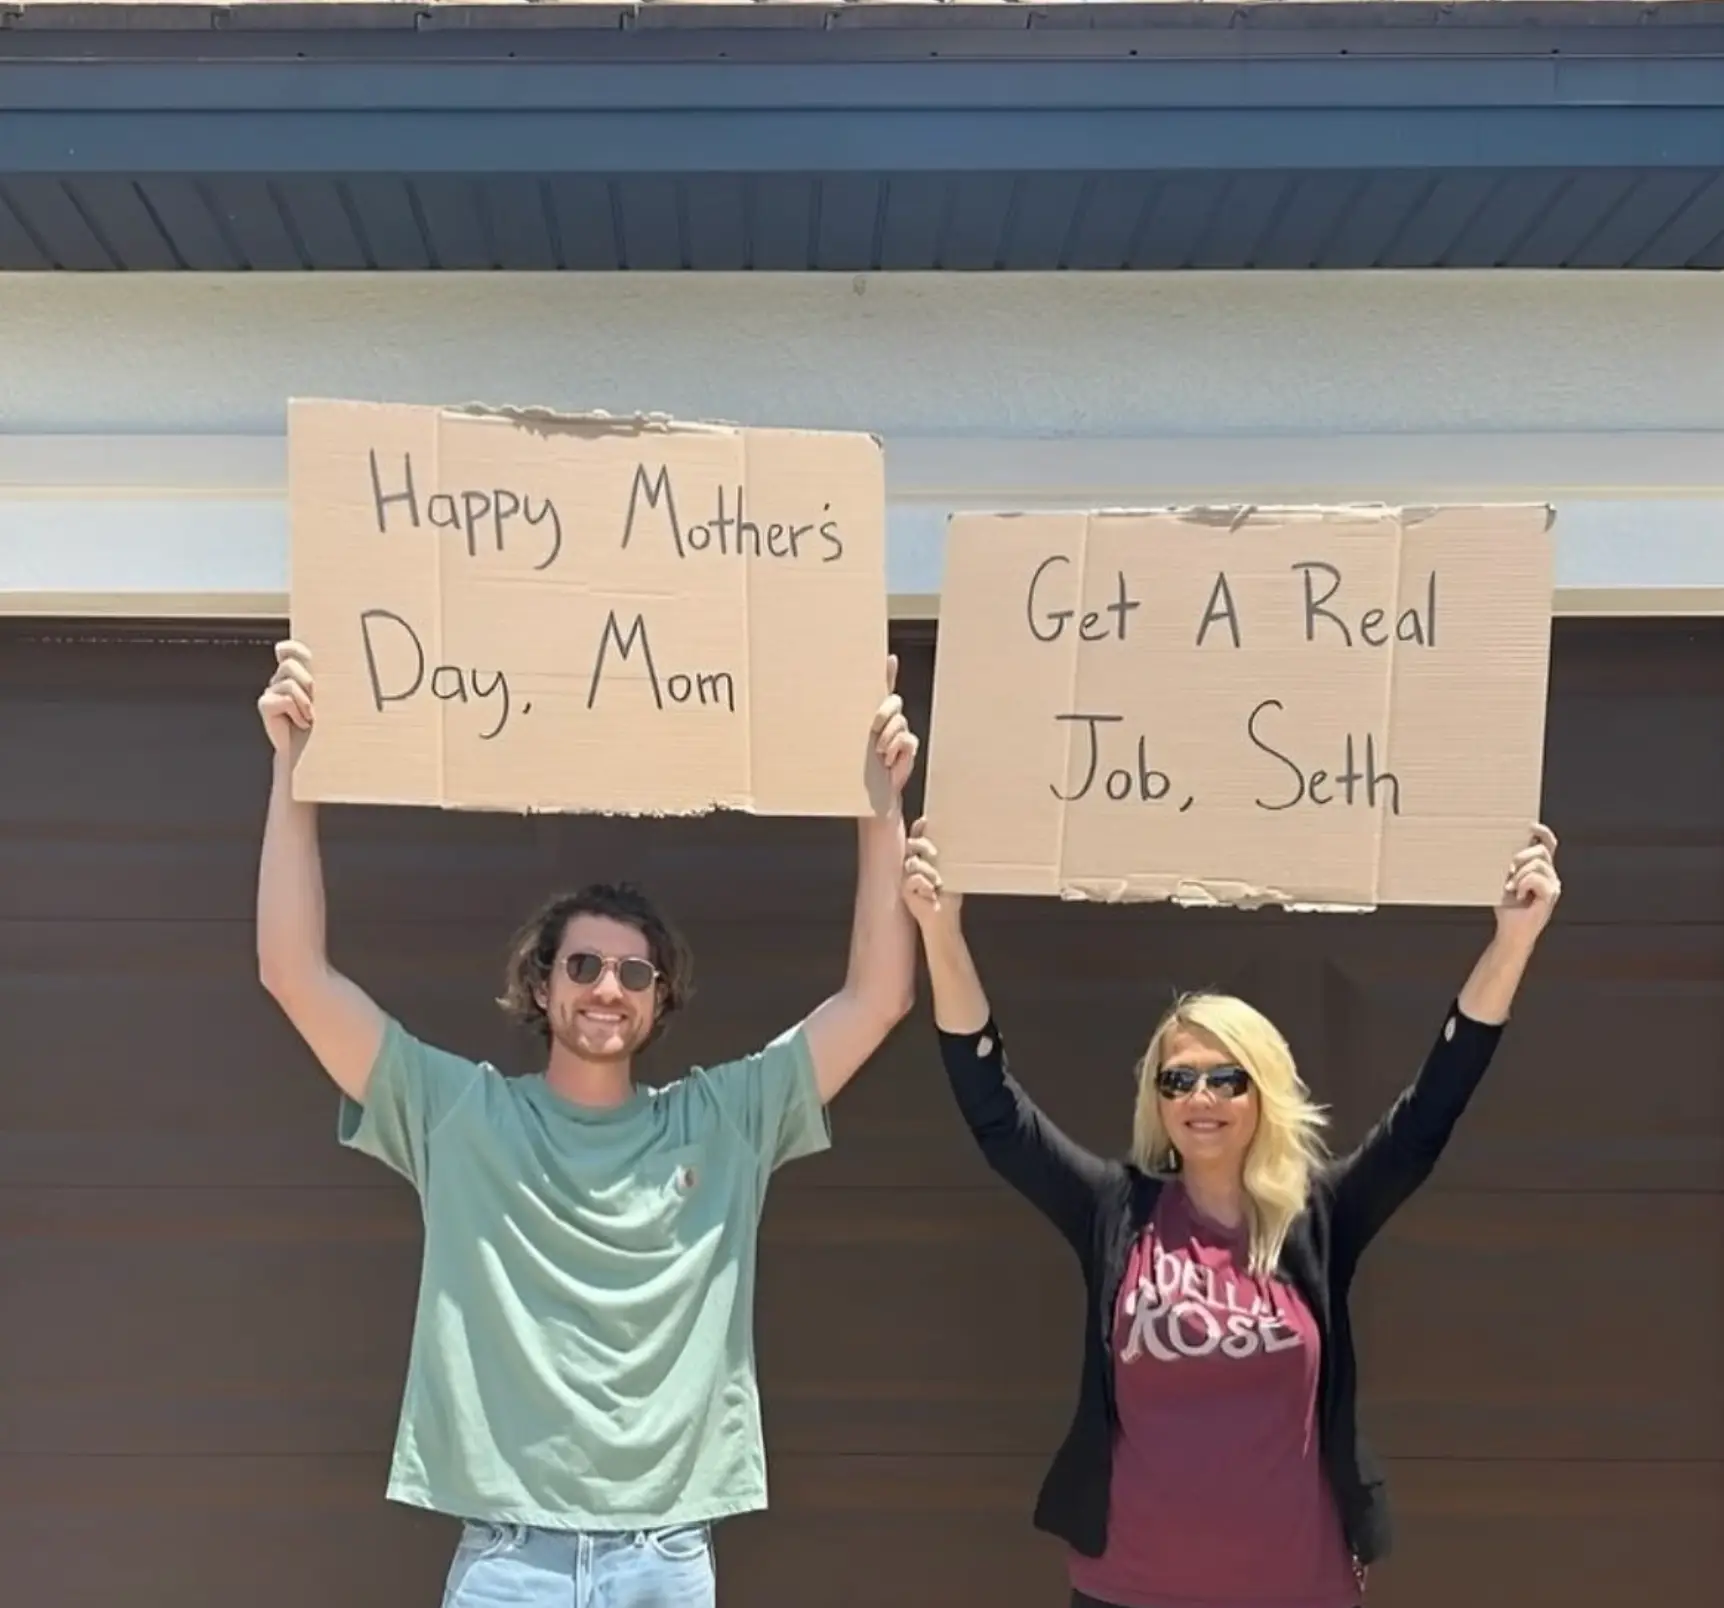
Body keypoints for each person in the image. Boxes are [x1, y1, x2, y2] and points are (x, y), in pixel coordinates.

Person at [254, 638, 919, 1608]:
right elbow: (293, 972)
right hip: (505, 1555)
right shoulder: (456, 1112)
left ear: (661, 997)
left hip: (665, 1552)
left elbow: (876, 999)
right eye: (583, 966)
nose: (607, 988)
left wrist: (881, 797)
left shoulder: (724, 1119)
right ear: (541, 980)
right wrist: (293, 765)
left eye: (633, 972)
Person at [901, 816, 1561, 1608]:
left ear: (1264, 1089)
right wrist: (942, 932)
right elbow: (996, 1115)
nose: (1200, 1098)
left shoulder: (1320, 1216)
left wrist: (1512, 942)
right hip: (1128, 1592)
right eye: (1177, 1081)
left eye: (1226, 1078)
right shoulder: (1116, 1211)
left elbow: (1429, 1114)